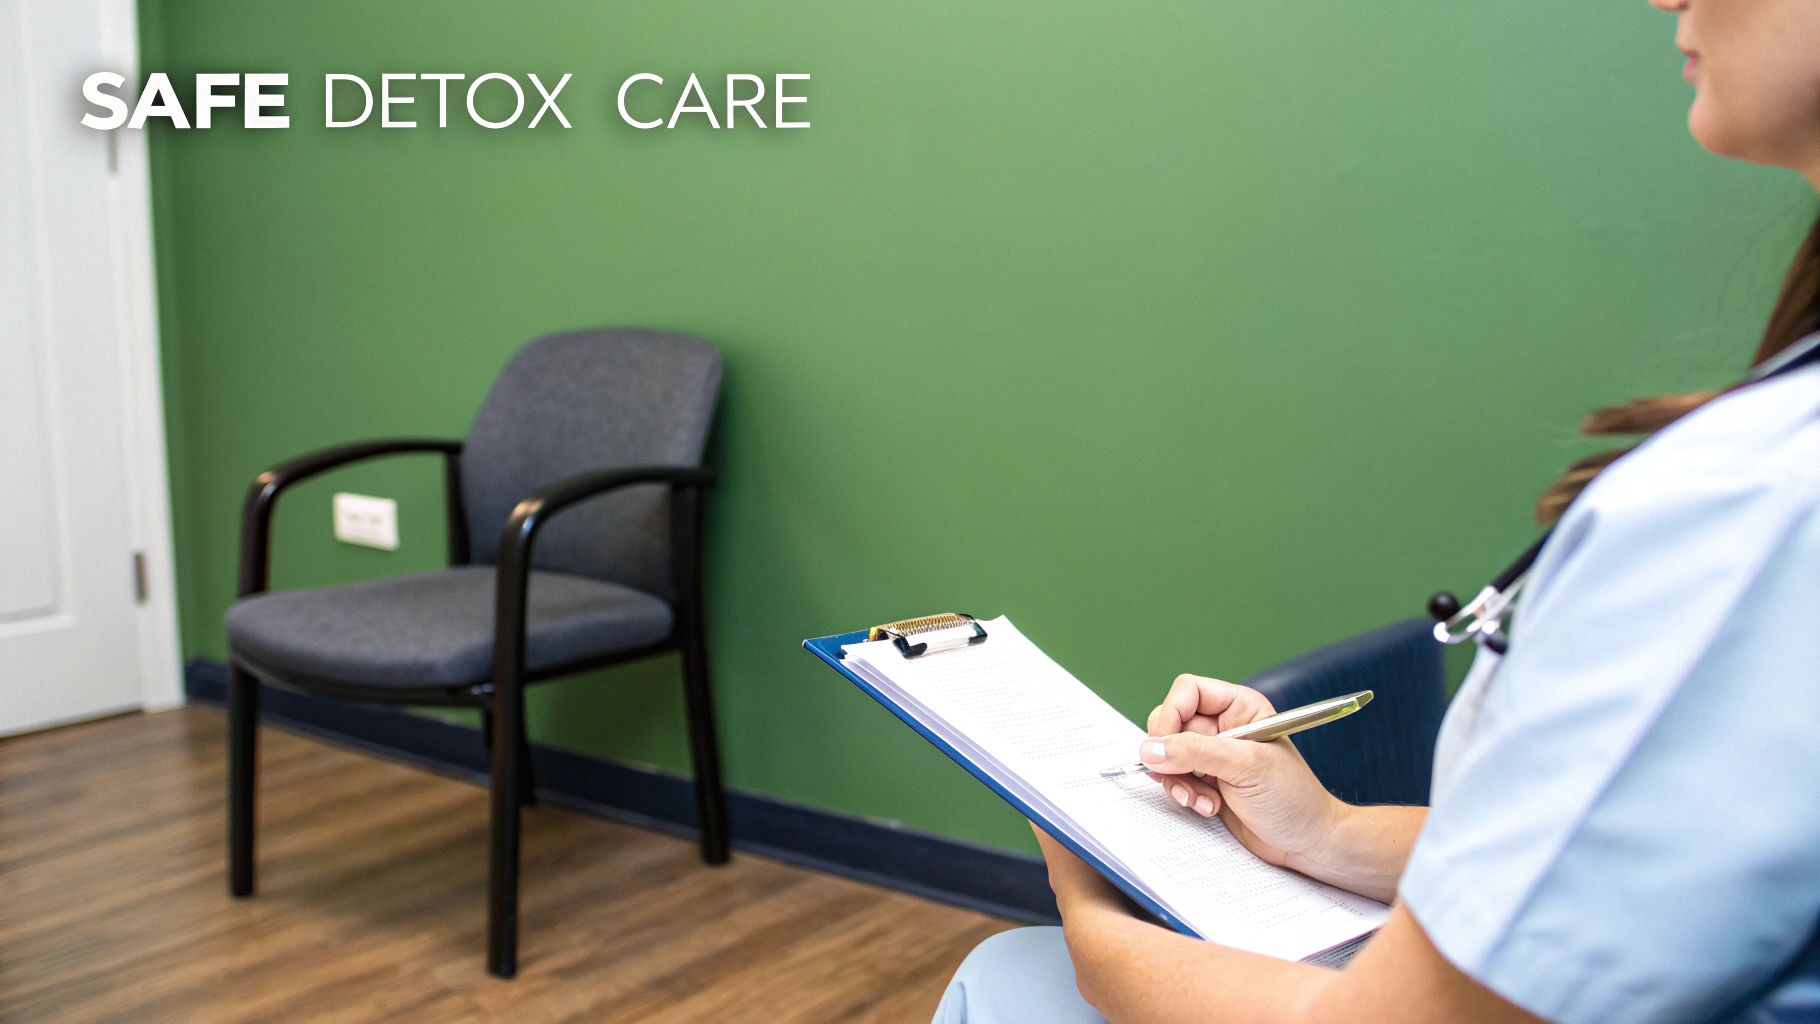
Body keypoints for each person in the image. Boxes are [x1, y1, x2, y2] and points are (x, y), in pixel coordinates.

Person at [934, 0, 1820, 1020]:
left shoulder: (1757, 504)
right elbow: (1653, 868)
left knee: (1014, 979)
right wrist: (1324, 830)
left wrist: (1095, 913)